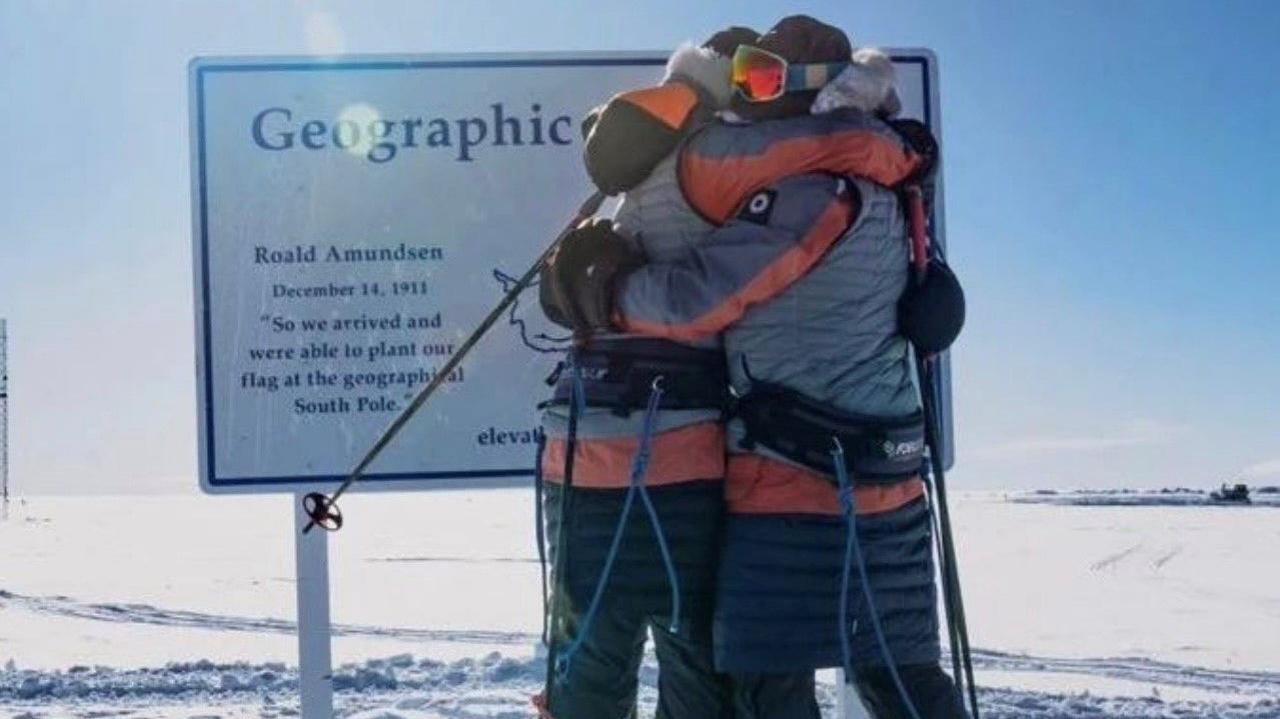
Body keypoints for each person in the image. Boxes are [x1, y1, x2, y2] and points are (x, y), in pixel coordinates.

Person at [546, 15, 969, 719]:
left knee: (766, 685)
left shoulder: (816, 191)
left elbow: (696, 300)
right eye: (746, 78)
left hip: (796, 476)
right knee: (898, 671)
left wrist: (605, 289)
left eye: (768, 79)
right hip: (881, 471)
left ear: (818, 92)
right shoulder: (893, 179)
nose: (753, 99)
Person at [534, 27, 758, 719]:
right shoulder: (724, 154)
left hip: (577, 448)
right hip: (676, 451)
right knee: (695, 662)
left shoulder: (636, 158)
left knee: (588, 658)